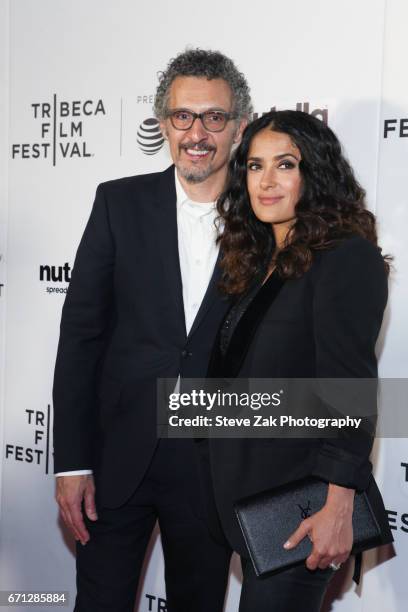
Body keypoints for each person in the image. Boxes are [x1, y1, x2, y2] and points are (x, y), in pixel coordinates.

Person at [52, 48, 251, 612]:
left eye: (214, 117)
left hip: (213, 469)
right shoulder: (119, 203)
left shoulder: (264, 217)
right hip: (117, 459)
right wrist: (71, 462)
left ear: (237, 127)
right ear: (163, 122)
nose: (197, 133)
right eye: (183, 116)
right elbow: (80, 339)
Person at [197, 110, 394, 611]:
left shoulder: (347, 257)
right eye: (255, 166)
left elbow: (349, 390)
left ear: (316, 173)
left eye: (285, 165)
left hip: (301, 509)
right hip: (241, 500)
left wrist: (337, 505)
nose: (266, 181)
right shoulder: (256, 258)